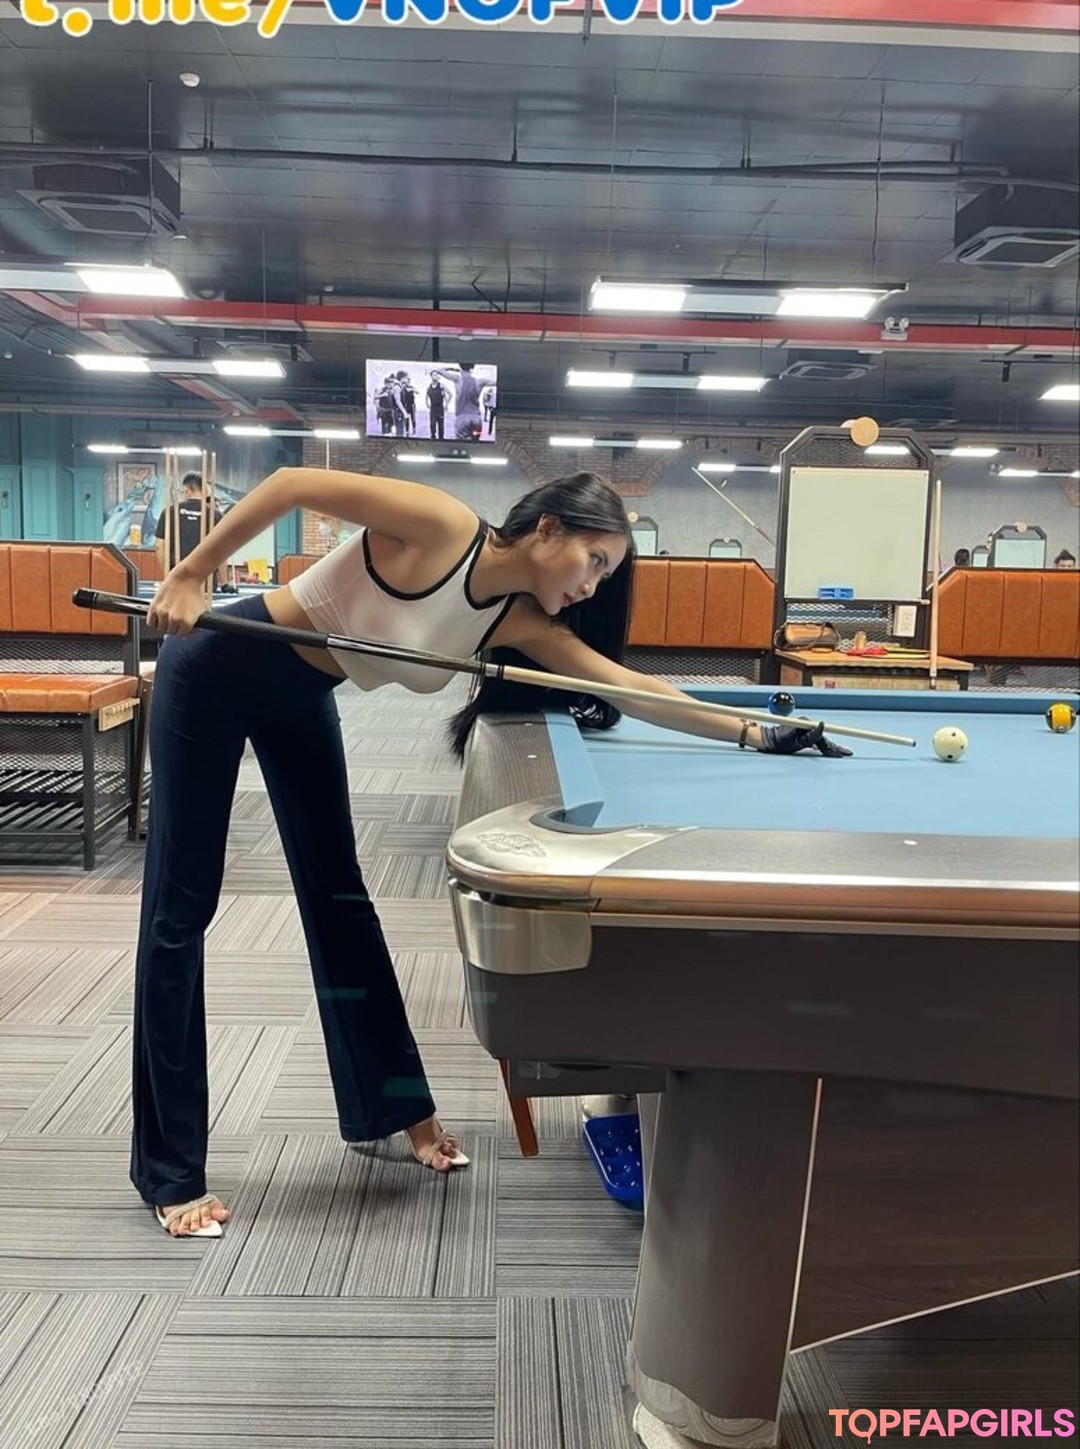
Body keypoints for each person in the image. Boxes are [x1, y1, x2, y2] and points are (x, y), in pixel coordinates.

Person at [137, 469, 851, 1238]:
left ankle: (397, 1110)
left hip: (301, 694)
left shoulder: (517, 621)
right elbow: (290, 483)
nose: (592, 586)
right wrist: (191, 573)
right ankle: (171, 1173)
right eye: (594, 561)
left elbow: (632, 689)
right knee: (181, 910)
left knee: (339, 897)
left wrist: (754, 732)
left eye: (606, 573)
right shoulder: (440, 526)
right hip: (215, 663)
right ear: (548, 527)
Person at [155, 472, 223, 577]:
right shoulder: (215, 514)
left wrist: (167, 577)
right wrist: (224, 582)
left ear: (187, 490)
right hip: (205, 576)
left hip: (177, 575)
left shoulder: (170, 512)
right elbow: (222, 549)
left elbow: (159, 546)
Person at [431, 362, 484, 441]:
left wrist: (452, 369)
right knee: (475, 443)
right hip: (476, 419)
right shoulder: (478, 381)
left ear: (460, 367)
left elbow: (439, 370)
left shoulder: (458, 379)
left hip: (462, 419)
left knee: (461, 444)